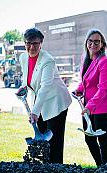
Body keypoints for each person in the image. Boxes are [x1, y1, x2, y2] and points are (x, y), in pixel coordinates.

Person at [19, 27, 71, 164]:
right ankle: (43, 170)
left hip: (56, 102)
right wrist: (23, 88)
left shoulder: (48, 60)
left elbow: (45, 87)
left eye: (35, 43)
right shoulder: (23, 57)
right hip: (40, 102)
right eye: (28, 43)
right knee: (41, 138)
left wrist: (34, 112)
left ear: (41, 43)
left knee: (54, 142)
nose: (31, 47)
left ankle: (56, 172)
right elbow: (28, 79)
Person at [74, 29, 107, 167]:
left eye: (97, 41)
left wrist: (89, 107)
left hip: (102, 108)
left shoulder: (105, 62)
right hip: (88, 108)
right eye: (90, 41)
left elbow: (103, 89)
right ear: (86, 43)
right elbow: (85, 81)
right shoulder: (85, 58)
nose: (93, 44)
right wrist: (79, 90)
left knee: (103, 141)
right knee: (89, 139)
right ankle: (100, 167)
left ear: (102, 44)